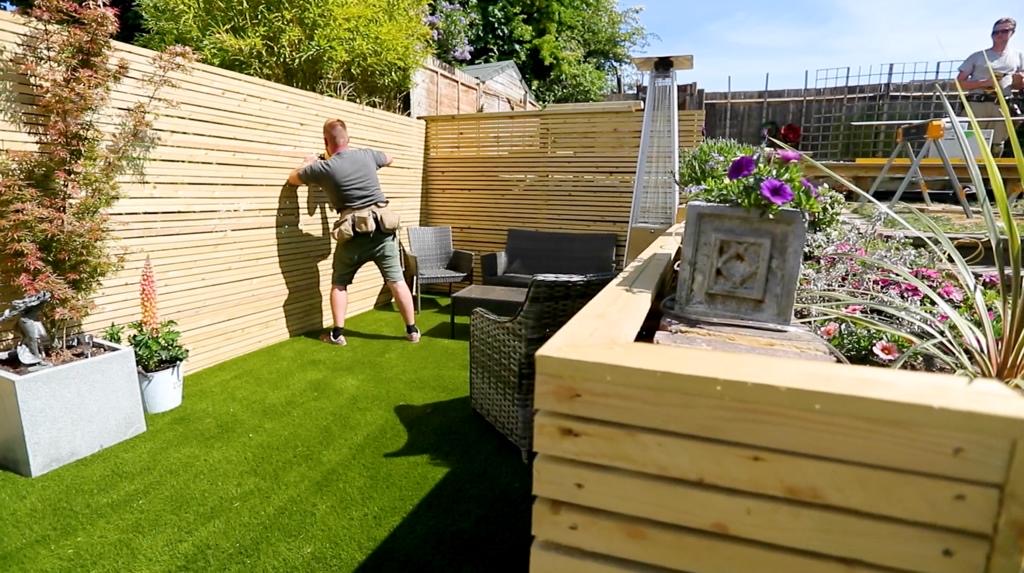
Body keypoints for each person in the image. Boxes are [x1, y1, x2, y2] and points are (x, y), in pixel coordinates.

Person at [287, 119, 419, 346]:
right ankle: (412, 331)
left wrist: (308, 162)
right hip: (382, 231)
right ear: (348, 139)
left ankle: (337, 334)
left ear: (325, 142)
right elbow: (390, 158)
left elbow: (293, 179)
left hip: (353, 236)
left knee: (340, 283)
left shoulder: (323, 168)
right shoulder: (367, 155)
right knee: (396, 281)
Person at [957, 17, 1024, 156]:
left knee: (997, 144)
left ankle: (992, 170)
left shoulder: (1018, 56)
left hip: (1002, 104)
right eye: (995, 32)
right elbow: (959, 83)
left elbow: (1019, 86)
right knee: (970, 142)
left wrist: (1019, 81)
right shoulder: (978, 56)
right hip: (977, 103)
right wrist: (983, 83)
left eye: (1004, 31)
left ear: (1012, 32)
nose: (999, 35)